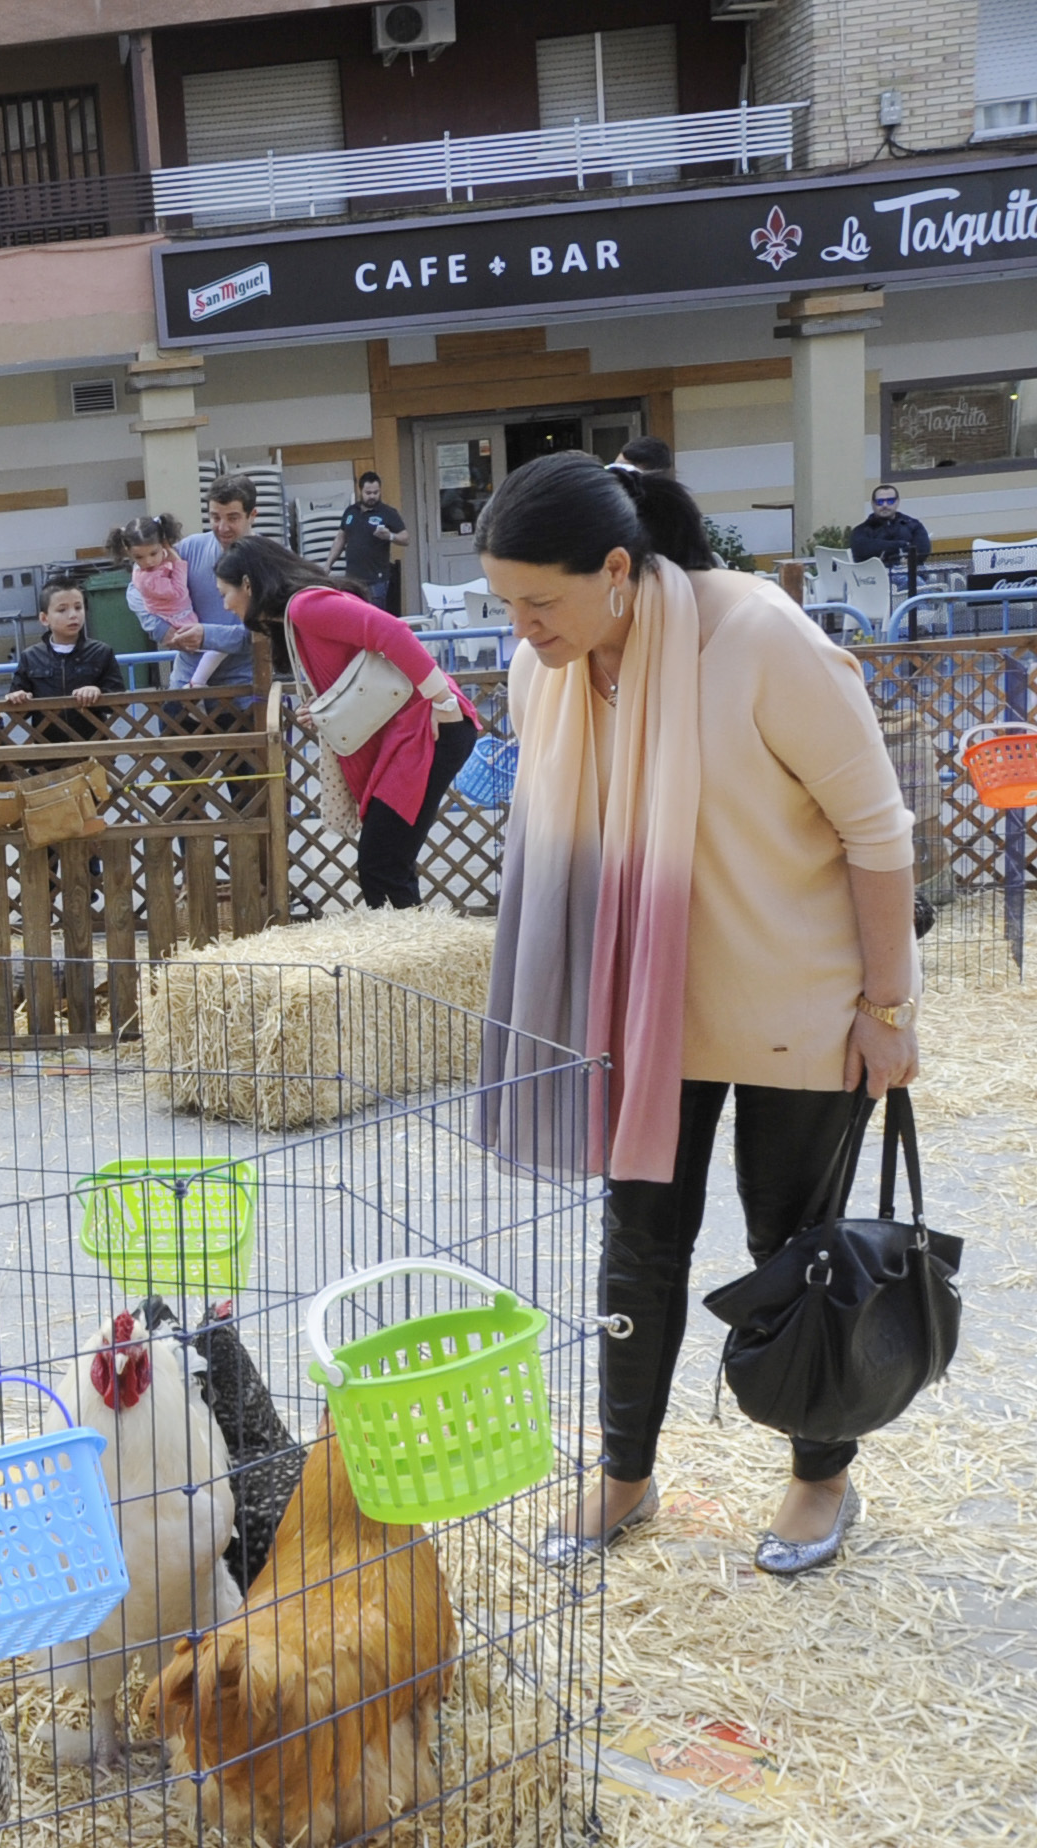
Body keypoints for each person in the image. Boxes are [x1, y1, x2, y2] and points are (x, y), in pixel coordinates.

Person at [474, 452, 919, 1578]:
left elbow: (879, 835)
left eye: (541, 601)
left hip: (794, 1004)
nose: (521, 628)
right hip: (640, 1012)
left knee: (795, 1252)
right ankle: (626, 1472)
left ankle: (820, 1476)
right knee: (638, 1248)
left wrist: (888, 1006)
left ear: (618, 571)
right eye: (505, 603)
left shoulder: (761, 640)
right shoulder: (551, 671)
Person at [214, 539, 481, 910]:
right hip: (421, 727)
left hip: (429, 726)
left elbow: (393, 633)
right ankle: (409, 951)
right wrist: (321, 706)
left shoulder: (305, 606)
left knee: (381, 862)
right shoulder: (299, 613)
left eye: (225, 593)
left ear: (247, 584)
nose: (225, 604)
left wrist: (444, 701)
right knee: (387, 861)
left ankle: (402, 957)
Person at [135, 474, 260, 687]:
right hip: (185, 680)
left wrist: (207, 636)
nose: (222, 527)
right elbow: (136, 591)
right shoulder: (188, 548)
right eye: (215, 517)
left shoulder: (269, 559)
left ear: (252, 515)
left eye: (233, 518)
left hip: (244, 683)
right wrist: (162, 629)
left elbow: (264, 630)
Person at [112, 517, 227, 687]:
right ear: (128, 553)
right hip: (177, 620)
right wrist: (178, 562)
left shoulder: (163, 559)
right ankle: (197, 683)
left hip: (182, 616)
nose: (148, 562)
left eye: (153, 553)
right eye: (139, 557)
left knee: (213, 649)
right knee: (219, 647)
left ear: (162, 544)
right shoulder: (145, 578)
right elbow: (178, 591)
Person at [4, 574, 121, 705]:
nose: (73, 615)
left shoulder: (101, 652)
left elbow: (119, 699)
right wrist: (18, 697)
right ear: (44, 618)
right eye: (62, 610)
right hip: (46, 726)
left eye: (78, 607)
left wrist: (98, 691)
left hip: (91, 725)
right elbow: (16, 707)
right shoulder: (30, 657)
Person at [324, 471, 408, 613]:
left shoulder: (387, 513)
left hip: (376, 580)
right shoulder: (350, 512)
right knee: (354, 617)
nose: (372, 496)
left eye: (376, 492)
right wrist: (328, 564)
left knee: (375, 617)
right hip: (352, 579)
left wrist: (390, 536)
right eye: (368, 493)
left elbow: (405, 538)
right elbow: (340, 538)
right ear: (360, 491)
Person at [848, 483, 933, 600]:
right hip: (875, 580)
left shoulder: (912, 525)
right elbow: (862, 549)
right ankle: (925, 617)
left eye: (890, 501)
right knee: (913, 583)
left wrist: (885, 549)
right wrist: (902, 545)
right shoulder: (861, 530)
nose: (885, 505)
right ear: (872, 504)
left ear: (897, 502)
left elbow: (923, 550)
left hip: (913, 572)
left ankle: (941, 613)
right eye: (880, 502)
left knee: (946, 579)